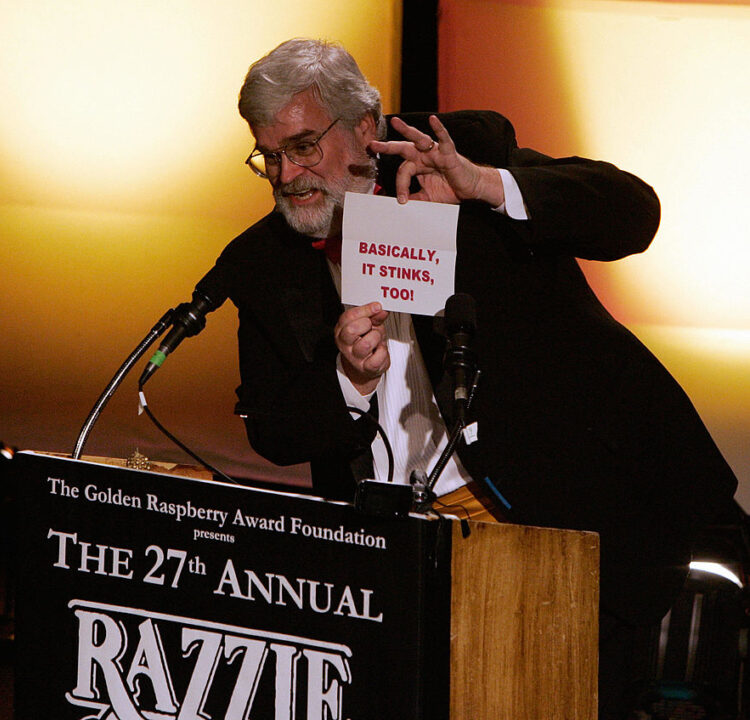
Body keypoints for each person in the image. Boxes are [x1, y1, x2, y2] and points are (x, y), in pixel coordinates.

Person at [212, 38, 737, 718]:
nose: (286, 175)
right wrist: (347, 379)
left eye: (305, 146)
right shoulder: (261, 259)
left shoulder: (459, 155)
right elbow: (276, 428)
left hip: (562, 528)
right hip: (397, 563)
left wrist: (486, 185)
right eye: (270, 156)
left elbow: (634, 213)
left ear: (364, 128)